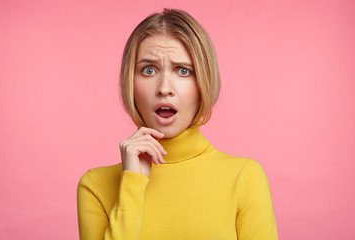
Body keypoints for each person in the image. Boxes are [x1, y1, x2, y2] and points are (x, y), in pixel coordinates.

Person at [77, 9, 278, 240]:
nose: (164, 88)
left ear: (204, 81)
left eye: (183, 71)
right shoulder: (95, 185)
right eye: (148, 70)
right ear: (129, 82)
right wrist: (132, 185)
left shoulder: (245, 178)